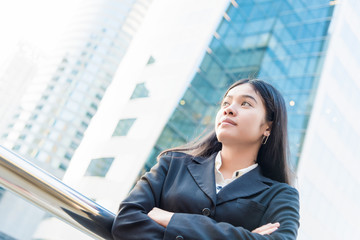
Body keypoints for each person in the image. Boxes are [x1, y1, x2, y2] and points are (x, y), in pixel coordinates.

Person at [112, 78, 300, 240]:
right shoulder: (172, 164)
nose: (229, 110)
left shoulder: (280, 195)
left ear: (268, 127)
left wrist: (173, 220)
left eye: (245, 104)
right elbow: (126, 221)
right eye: (226, 103)